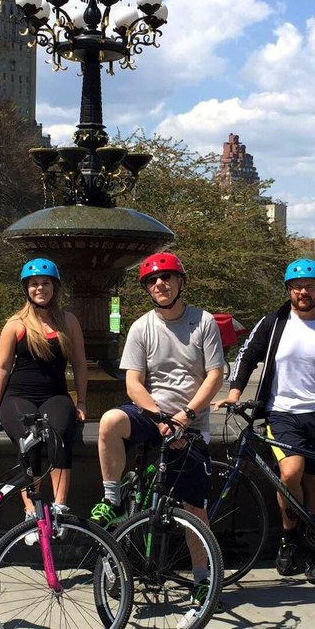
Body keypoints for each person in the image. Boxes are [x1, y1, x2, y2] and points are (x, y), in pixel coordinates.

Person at [219, 258, 315, 585]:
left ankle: (314, 550)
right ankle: (289, 537)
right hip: (282, 412)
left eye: (310, 287)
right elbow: (246, 355)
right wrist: (234, 392)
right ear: (288, 289)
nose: (303, 292)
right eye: (297, 287)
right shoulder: (273, 323)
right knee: (290, 472)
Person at [89, 252, 226, 598]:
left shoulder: (203, 322)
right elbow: (134, 383)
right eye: (152, 280)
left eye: (166, 278)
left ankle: (202, 580)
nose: (160, 284)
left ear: (181, 282)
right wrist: (159, 418)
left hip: (190, 423)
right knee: (109, 422)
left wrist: (185, 417)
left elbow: (214, 376)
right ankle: (113, 498)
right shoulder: (141, 326)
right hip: (153, 417)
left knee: (195, 509)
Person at [0, 259, 87, 517]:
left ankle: (59, 506)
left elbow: (80, 364)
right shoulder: (16, 324)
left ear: (55, 287)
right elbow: (2, 367)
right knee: (29, 440)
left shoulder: (69, 322)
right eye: (34, 284)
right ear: (26, 289)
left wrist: (81, 402)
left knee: (59, 435)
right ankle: (31, 509)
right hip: (18, 396)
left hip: (55, 395)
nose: (40, 289)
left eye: (45, 283)